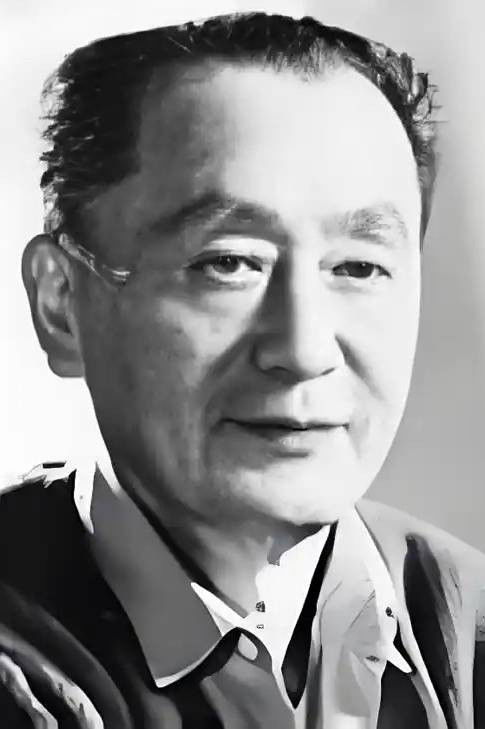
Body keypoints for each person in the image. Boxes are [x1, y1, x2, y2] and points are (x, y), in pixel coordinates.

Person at [1, 10, 484, 729]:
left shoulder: (464, 623)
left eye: (358, 267)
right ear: (62, 302)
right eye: (229, 262)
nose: (305, 349)